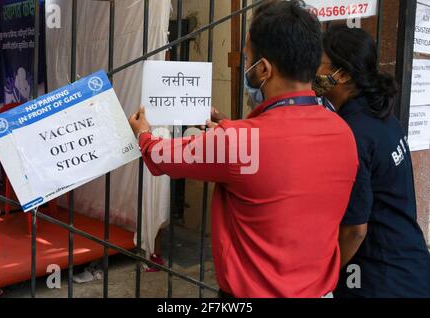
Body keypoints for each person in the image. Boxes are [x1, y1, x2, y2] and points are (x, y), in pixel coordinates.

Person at [129, 0, 358, 297]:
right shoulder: (343, 132)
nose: (246, 63)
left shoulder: (237, 141)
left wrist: (144, 135)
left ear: (263, 68)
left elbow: (161, 157)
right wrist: (229, 130)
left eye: (247, 57)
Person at [314, 24, 430, 298]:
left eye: (316, 64)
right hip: (411, 267)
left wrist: (322, 281)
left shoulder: (352, 134)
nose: (310, 73)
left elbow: (355, 230)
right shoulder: (382, 118)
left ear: (341, 74)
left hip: (379, 280)